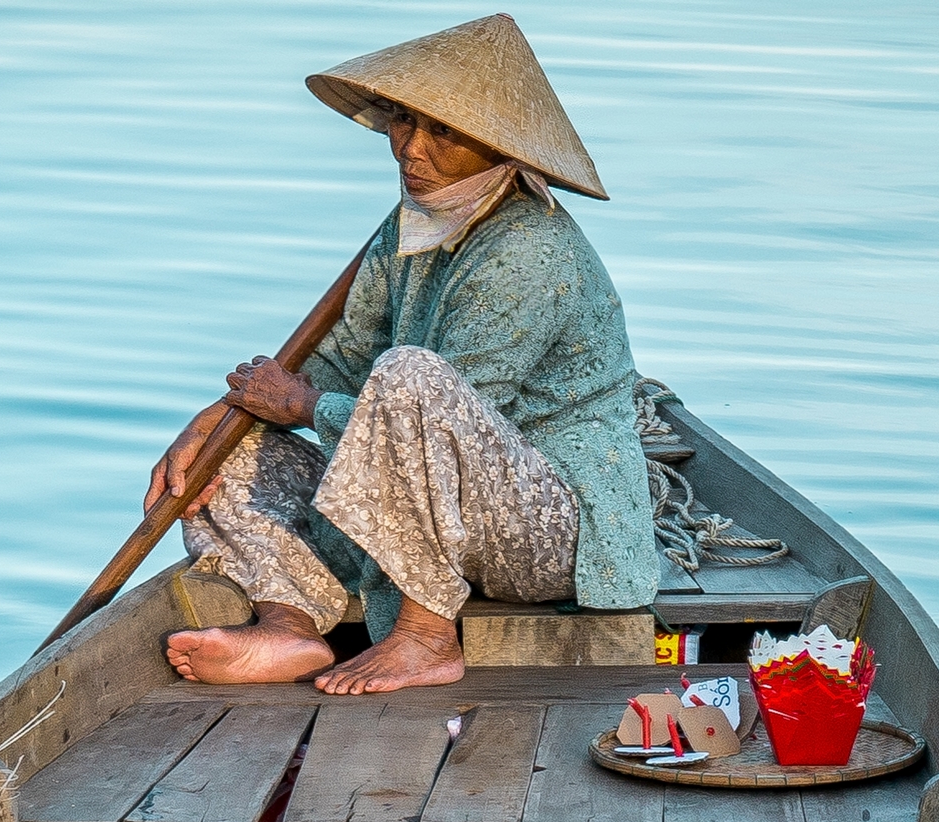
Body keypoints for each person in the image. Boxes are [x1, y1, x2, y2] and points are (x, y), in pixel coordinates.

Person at [153, 14, 657, 694]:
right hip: (448, 512)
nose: (409, 149)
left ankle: (425, 636)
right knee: (236, 448)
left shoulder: (529, 251)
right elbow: (344, 357)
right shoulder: (412, 222)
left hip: (551, 532)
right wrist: (220, 417)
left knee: (409, 375)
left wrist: (301, 405)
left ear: (497, 146)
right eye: (401, 121)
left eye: (441, 131)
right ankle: (289, 624)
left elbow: (435, 418)